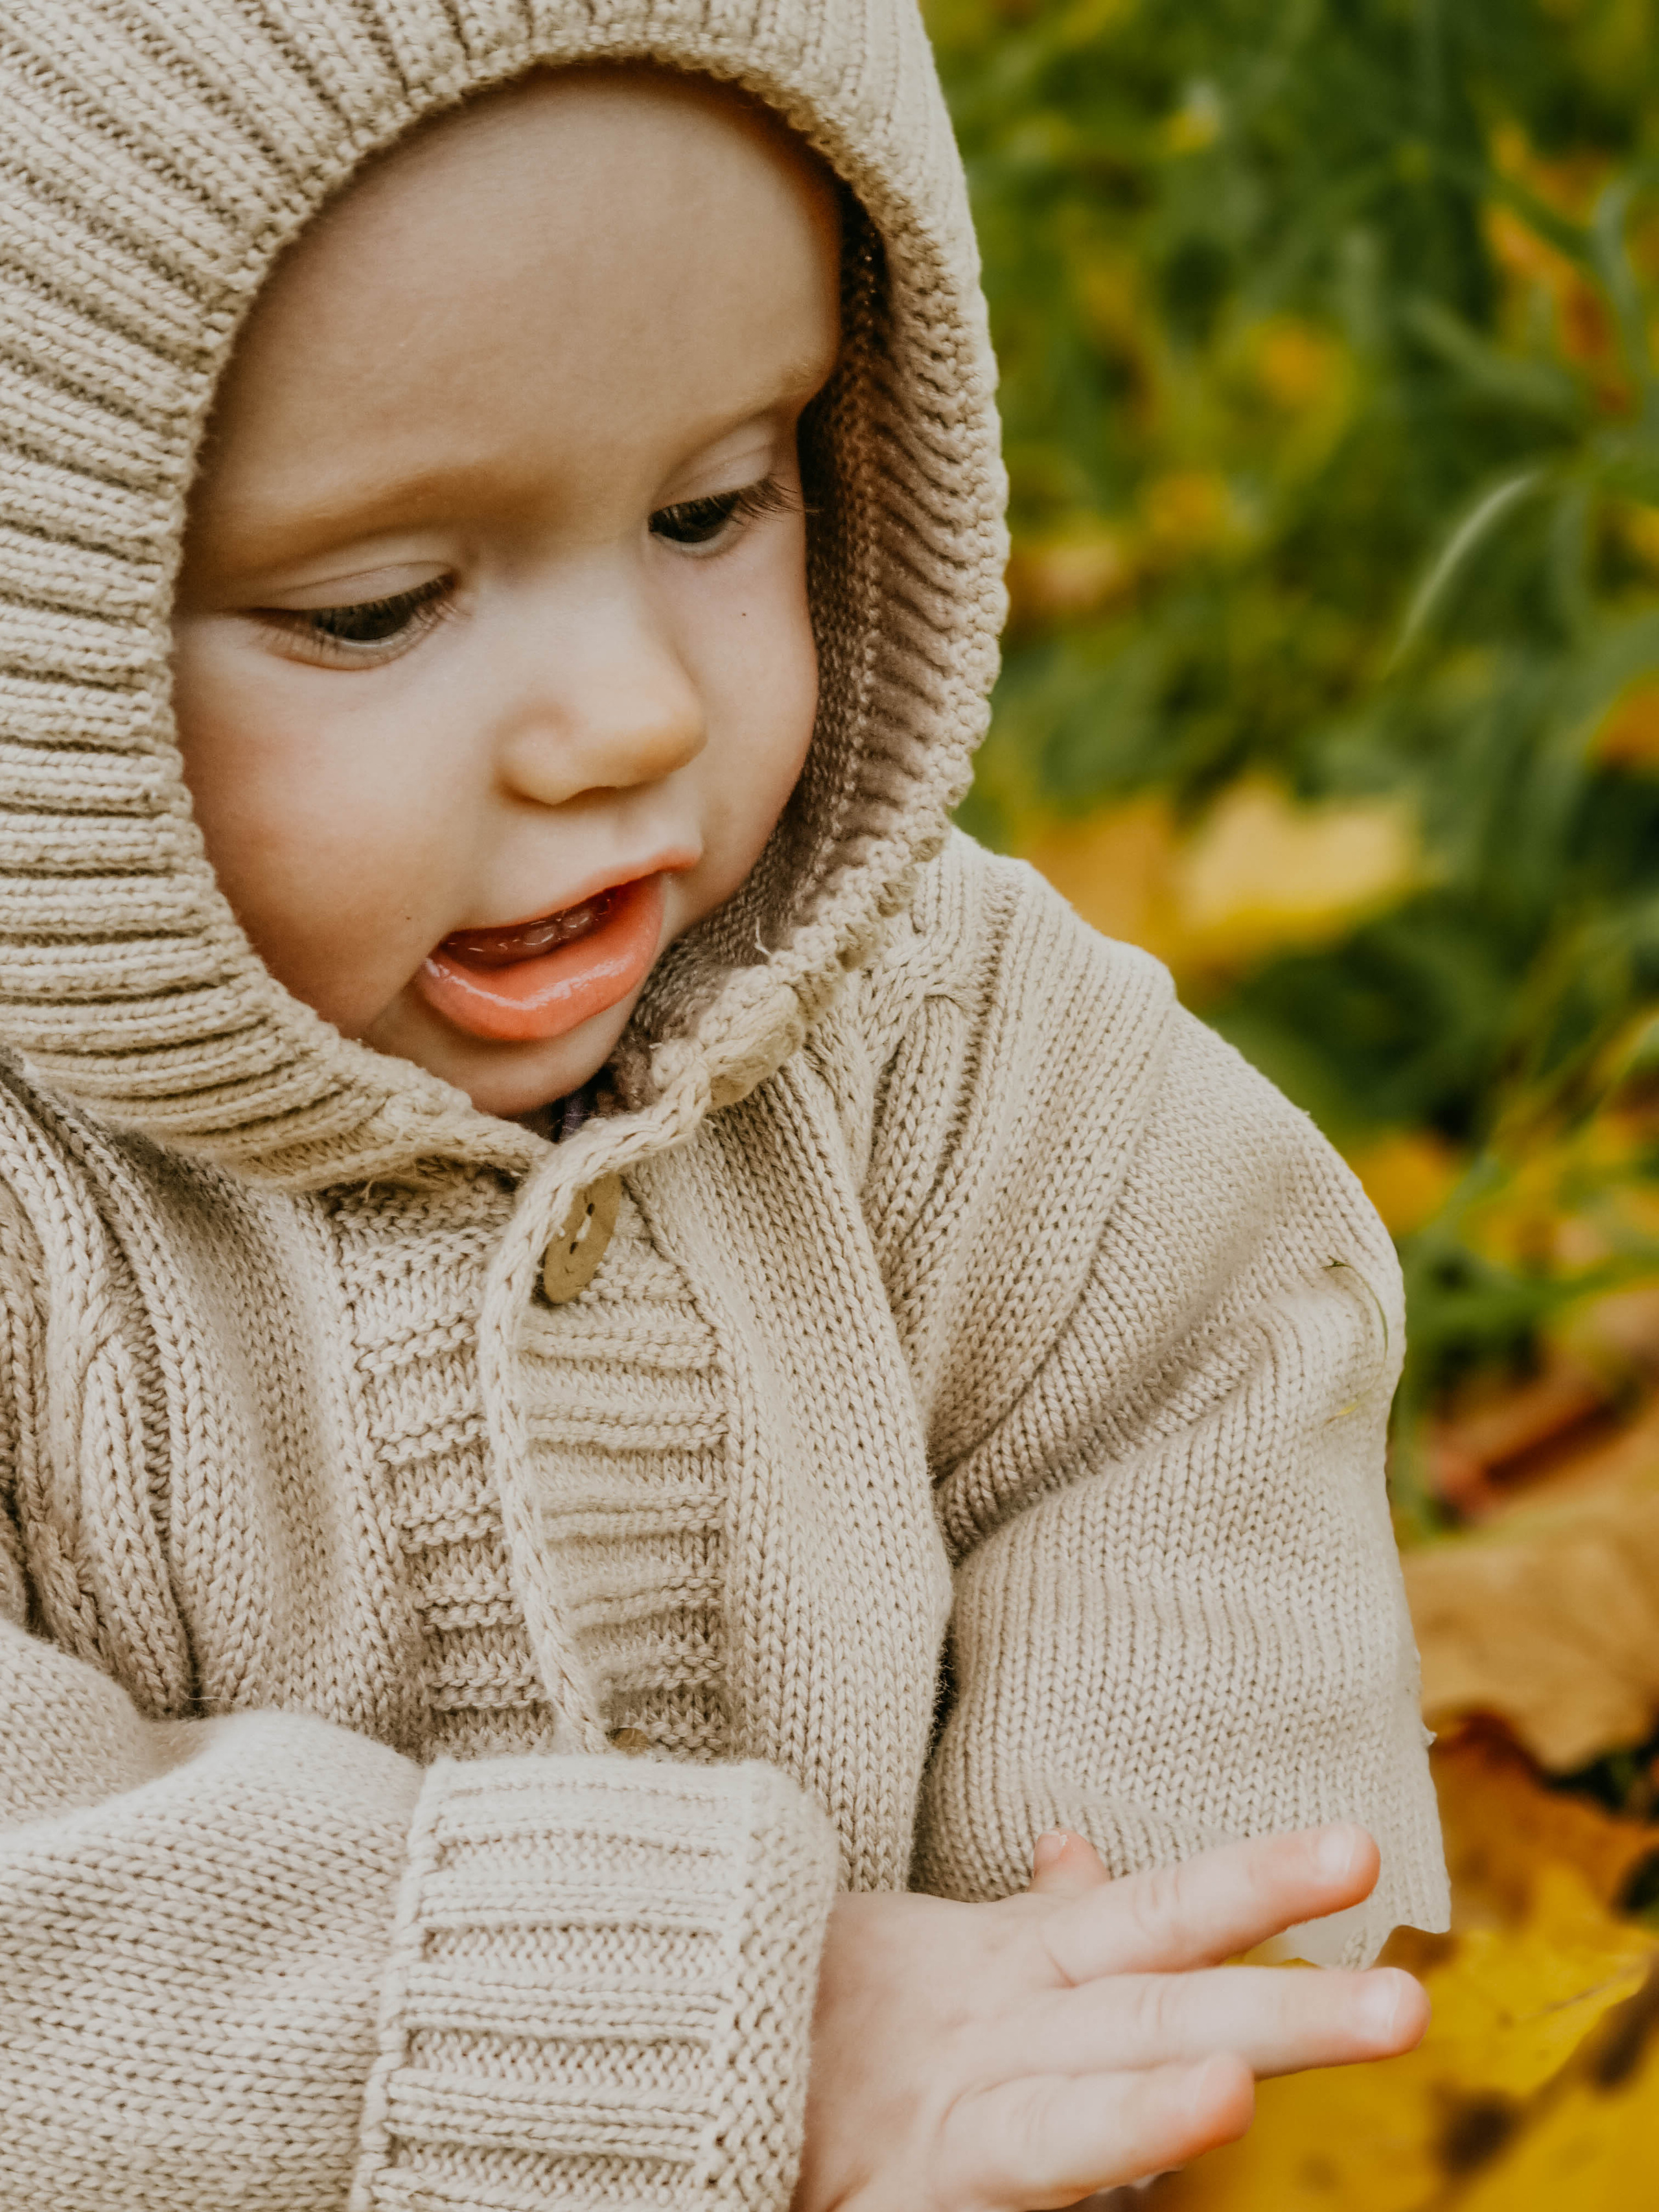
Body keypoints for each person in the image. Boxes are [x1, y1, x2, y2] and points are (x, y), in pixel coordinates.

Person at [0, 4, 1449, 2207]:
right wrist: (750, 2036)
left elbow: (1191, 1411)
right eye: (376, 605)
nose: (626, 713)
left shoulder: (928, 1036)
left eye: (712, 502)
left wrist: (1080, 2038)